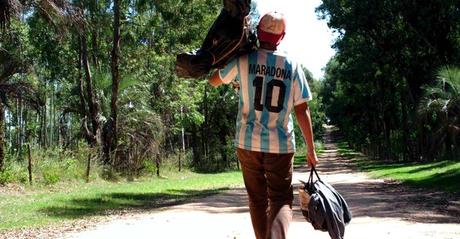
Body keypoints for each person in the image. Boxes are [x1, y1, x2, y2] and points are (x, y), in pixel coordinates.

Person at [208, 11, 318, 239]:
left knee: (257, 199)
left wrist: (225, 55)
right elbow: (301, 109)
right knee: (280, 199)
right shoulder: (293, 65)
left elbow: (214, 81)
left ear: (257, 31)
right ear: (282, 37)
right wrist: (311, 148)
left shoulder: (243, 60)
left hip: (247, 143)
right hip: (280, 145)